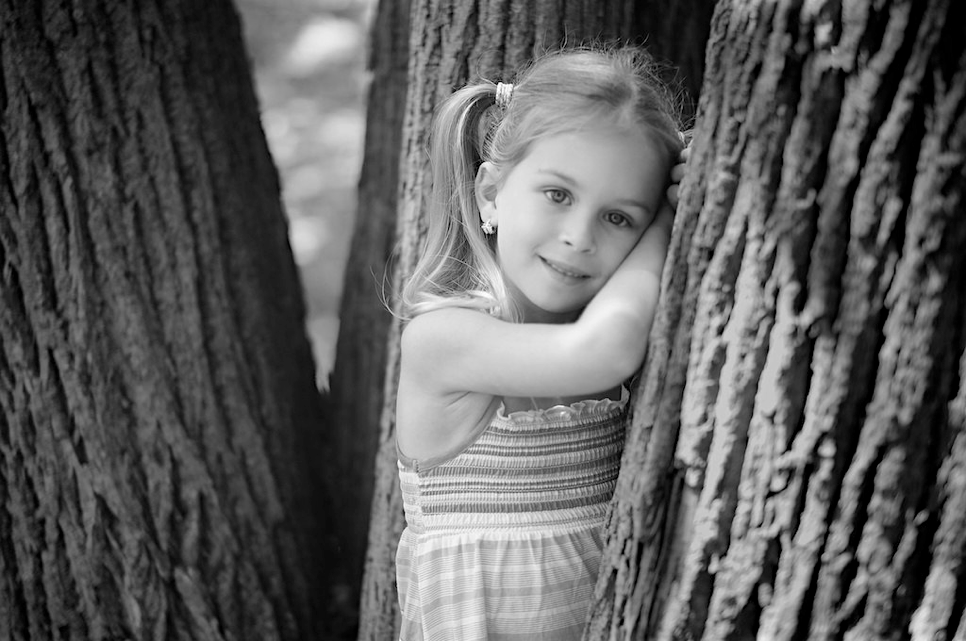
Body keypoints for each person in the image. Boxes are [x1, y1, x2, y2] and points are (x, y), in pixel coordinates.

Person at [394, 45, 687, 640]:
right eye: (558, 195)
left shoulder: (624, 322)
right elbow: (600, 353)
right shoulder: (444, 339)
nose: (579, 237)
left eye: (619, 217)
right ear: (490, 195)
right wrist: (665, 221)